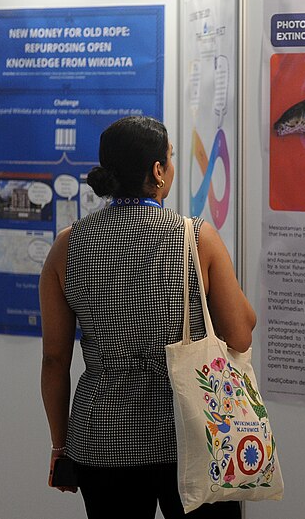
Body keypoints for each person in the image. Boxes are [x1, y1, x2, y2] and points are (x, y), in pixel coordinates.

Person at [40, 115, 256, 518]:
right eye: (170, 158)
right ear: (157, 171)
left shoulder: (67, 246)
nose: (171, 166)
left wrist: (60, 447)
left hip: (101, 439)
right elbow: (240, 335)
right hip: (191, 431)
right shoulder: (195, 236)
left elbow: (55, 359)